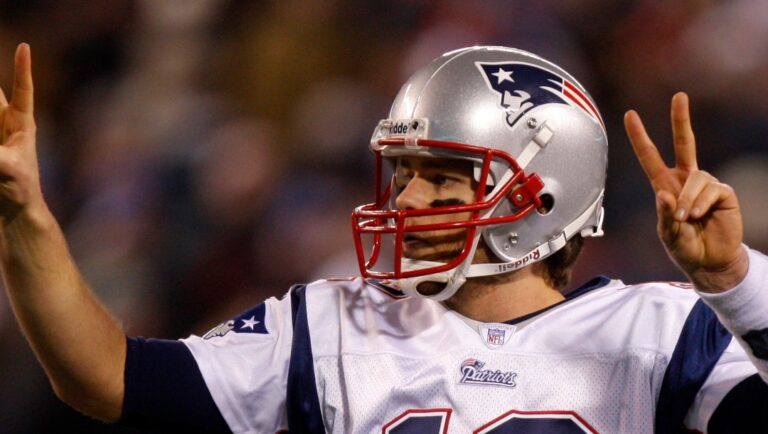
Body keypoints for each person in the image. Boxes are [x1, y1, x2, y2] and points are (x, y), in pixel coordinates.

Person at [1, 43, 766, 434]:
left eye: (442, 176)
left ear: (544, 194)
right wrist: (25, 217)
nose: (408, 198)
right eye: (403, 174)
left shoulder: (665, 333)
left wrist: (734, 279)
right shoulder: (335, 323)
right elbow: (105, 378)